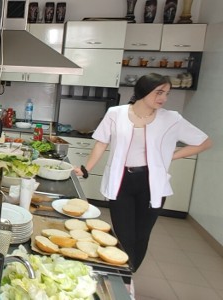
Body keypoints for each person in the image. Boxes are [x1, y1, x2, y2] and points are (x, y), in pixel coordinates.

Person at [73, 73, 211, 272]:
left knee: (141, 235)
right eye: (159, 92)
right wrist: (86, 168)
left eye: (167, 93)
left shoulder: (171, 119)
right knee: (123, 234)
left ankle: (129, 276)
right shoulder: (116, 113)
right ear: (143, 91)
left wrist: (168, 157)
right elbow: (102, 142)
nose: (163, 98)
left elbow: (204, 142)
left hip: (152, 183)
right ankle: (124, 275)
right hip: (122, 181)